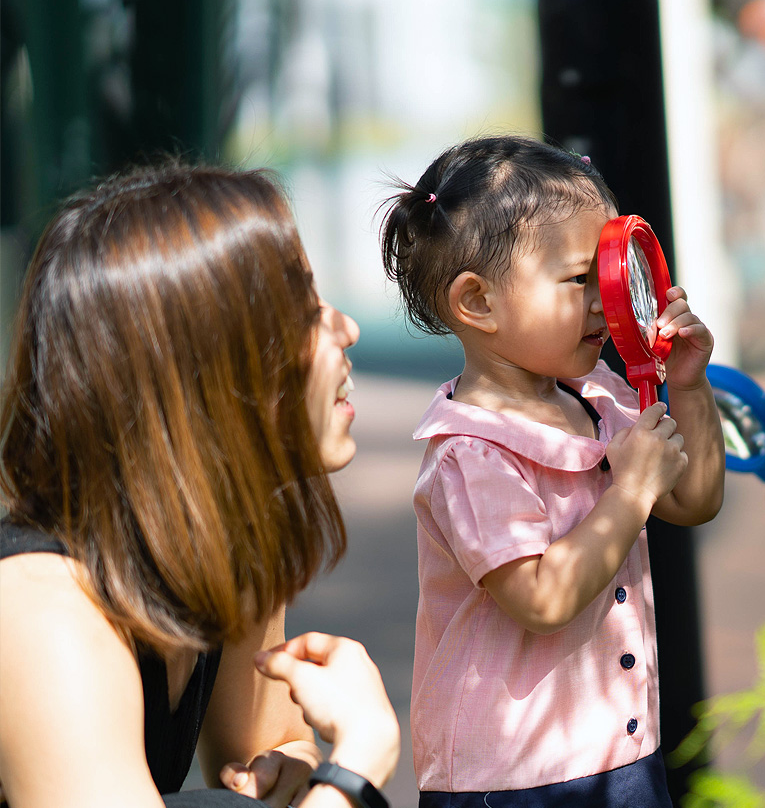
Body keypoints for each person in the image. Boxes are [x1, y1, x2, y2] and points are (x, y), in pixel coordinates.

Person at [0, 165, 401, 808]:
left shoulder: (219, 536)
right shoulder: (41, 609)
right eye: (303, 312)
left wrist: (292, 768)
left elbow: (269, 742)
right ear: (208, 364)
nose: (345, 329)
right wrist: (357, 764)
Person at [379, 135, 723, 807]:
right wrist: (630, 492)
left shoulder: (597, 396)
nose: (607, 301)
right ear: (477, 302)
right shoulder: (470, 453)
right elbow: (542, 598)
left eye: (614, 274)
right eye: (579, 280)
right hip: (512, 781)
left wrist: (687, 384)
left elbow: (694, 500)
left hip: (622, 750)